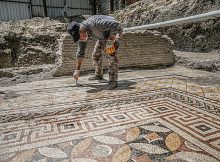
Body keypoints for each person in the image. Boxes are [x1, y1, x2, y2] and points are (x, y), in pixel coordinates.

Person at [67, 15, 123, 90]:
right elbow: (80, 53)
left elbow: (116, 25)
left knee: (111, 54)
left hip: (114, 32)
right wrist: (77, 70)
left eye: (79, 36)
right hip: (102, 35)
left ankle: (113, 81)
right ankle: (99, 74)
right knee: (95, 54)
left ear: (82, 29)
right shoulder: (83, 36)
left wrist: (111, 41)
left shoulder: (94, 24)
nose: (80, 39)